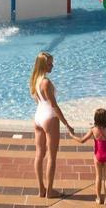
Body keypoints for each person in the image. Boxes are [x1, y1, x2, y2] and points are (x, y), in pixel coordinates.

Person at [30, 51, 74, 198]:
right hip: (49, 117)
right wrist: (67, 124)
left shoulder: (35, 80)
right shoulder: (46, 82)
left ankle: (41, 189)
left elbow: (38, 99)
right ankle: (50, 191)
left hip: (38, 117)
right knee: (52, 156)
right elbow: (54, 106)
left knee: (39, 154)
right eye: (50, 64)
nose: (52, 66)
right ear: (43, 65)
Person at [71, 108, 106, 204]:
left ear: (95, 119)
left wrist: (72, 135)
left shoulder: (93, 130)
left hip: (98, 156)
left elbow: (82, 140)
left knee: (98, 176)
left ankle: (98, 198)